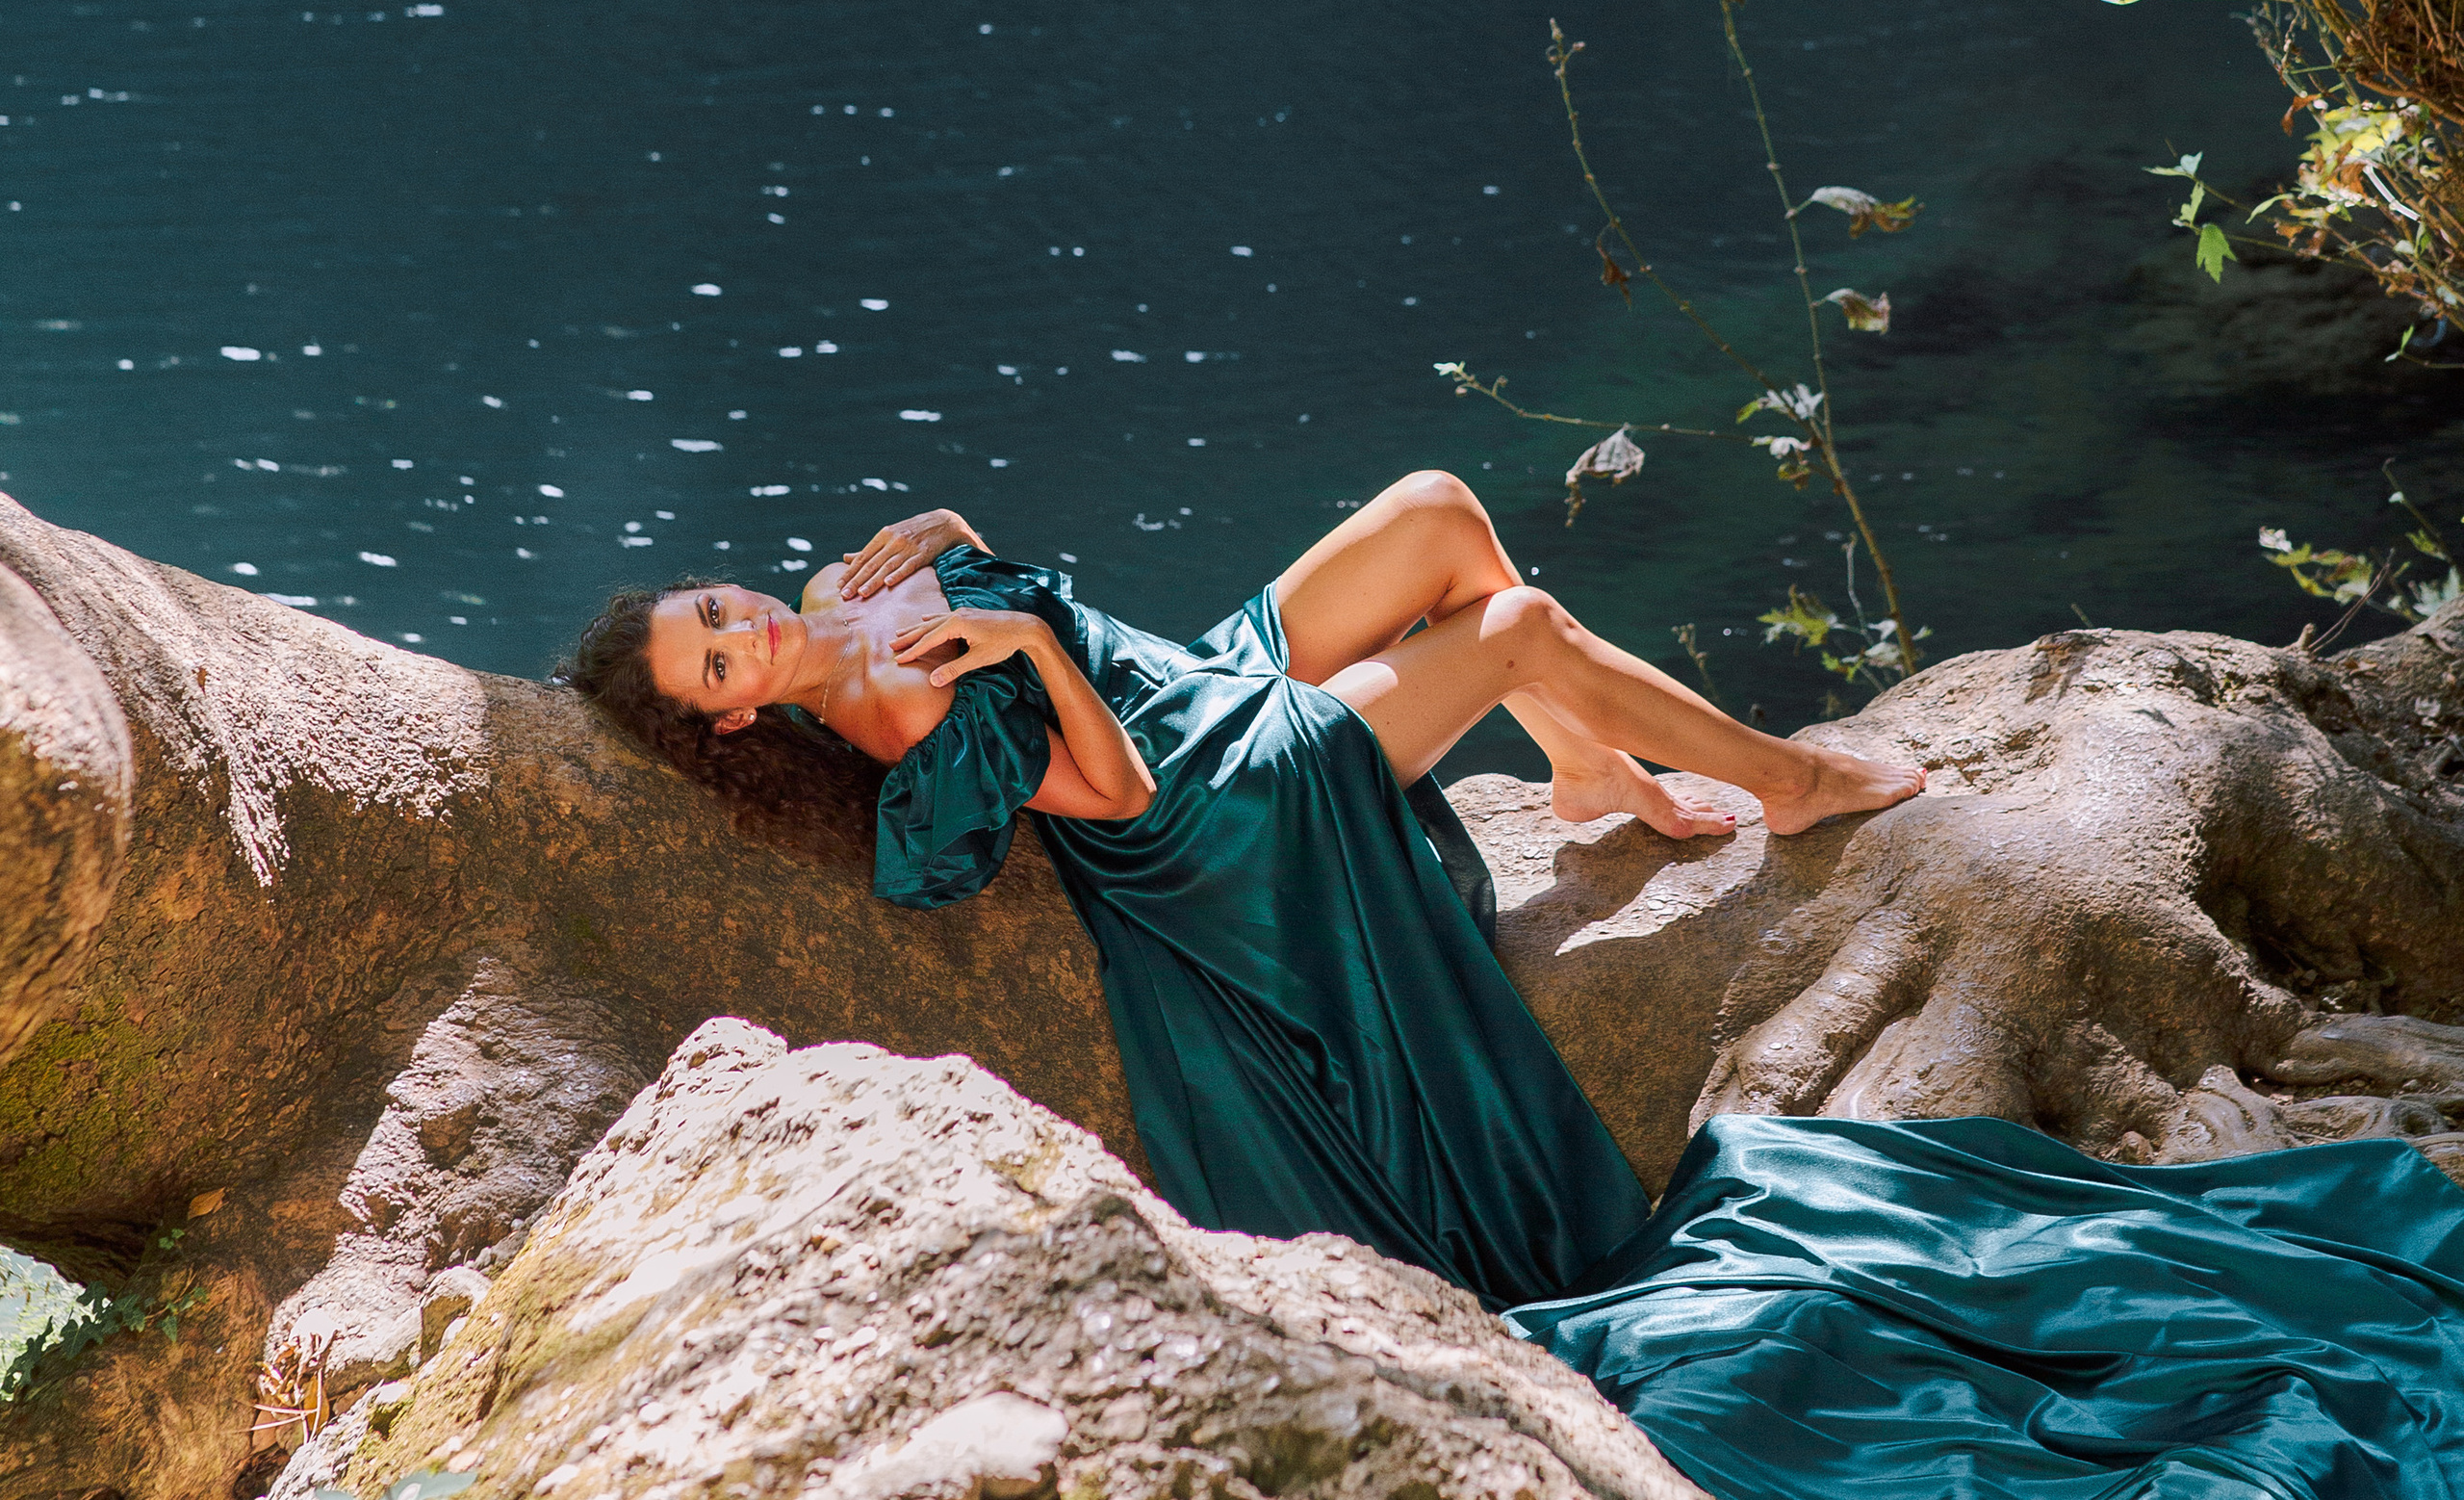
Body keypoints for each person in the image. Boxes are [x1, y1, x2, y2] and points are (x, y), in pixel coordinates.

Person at [559, 474, 2464, 1500]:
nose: (742, 626)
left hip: (1196, 674)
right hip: (1230, 801)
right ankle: (1777, 773)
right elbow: (1114, 791)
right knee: (1517, 619)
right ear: (735, 718)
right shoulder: (893, 704)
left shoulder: (845, 590)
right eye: (717, 657)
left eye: (715, 605)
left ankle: (1582, 770)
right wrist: (1013, 639)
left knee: (1442, 511)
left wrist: (951, 551)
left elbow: (1049, 613)